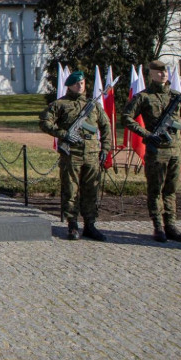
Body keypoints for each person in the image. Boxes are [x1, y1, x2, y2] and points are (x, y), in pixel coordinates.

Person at [122, 59, 181, 243]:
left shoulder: (176, 96)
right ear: (151, 74)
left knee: (171, 189)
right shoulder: (143, 97)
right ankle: (158, 226)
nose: (163, 75)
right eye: (159, 72)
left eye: (165, 72)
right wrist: (146, 134)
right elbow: (126, 118)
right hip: (157, 151)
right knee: (155, 190)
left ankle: (171, 225)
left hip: (175, 150)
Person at [38, 69, 112, 241]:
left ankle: (90, 224)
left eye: (83, 83)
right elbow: (44, 122)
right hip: (72, 154)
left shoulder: (93, 105)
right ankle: (72, 225)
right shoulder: (60, 104)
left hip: (92, 154)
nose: (80, 86)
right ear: (69, 86)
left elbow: (105, 126)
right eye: (77, 83)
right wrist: (63, 134)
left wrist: (105, 149)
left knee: (91, 190)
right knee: (71, 190)